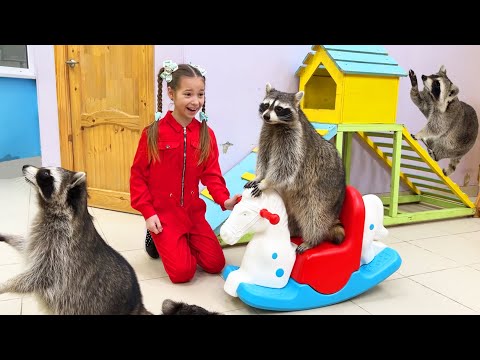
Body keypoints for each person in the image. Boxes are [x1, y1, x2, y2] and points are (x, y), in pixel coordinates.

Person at [130, 60, 240, 284]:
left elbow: (212, 174)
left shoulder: (205, 134)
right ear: (171, 93)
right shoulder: (153, 133)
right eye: (188, 94)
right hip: (164, 214)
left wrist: (224, 200)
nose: (195, 101)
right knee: (183, 273)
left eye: (200, 94)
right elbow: (138, 177)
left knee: (215, 264)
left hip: (192, 213)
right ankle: (155, 235)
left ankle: (182, 240)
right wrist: (149, 213)